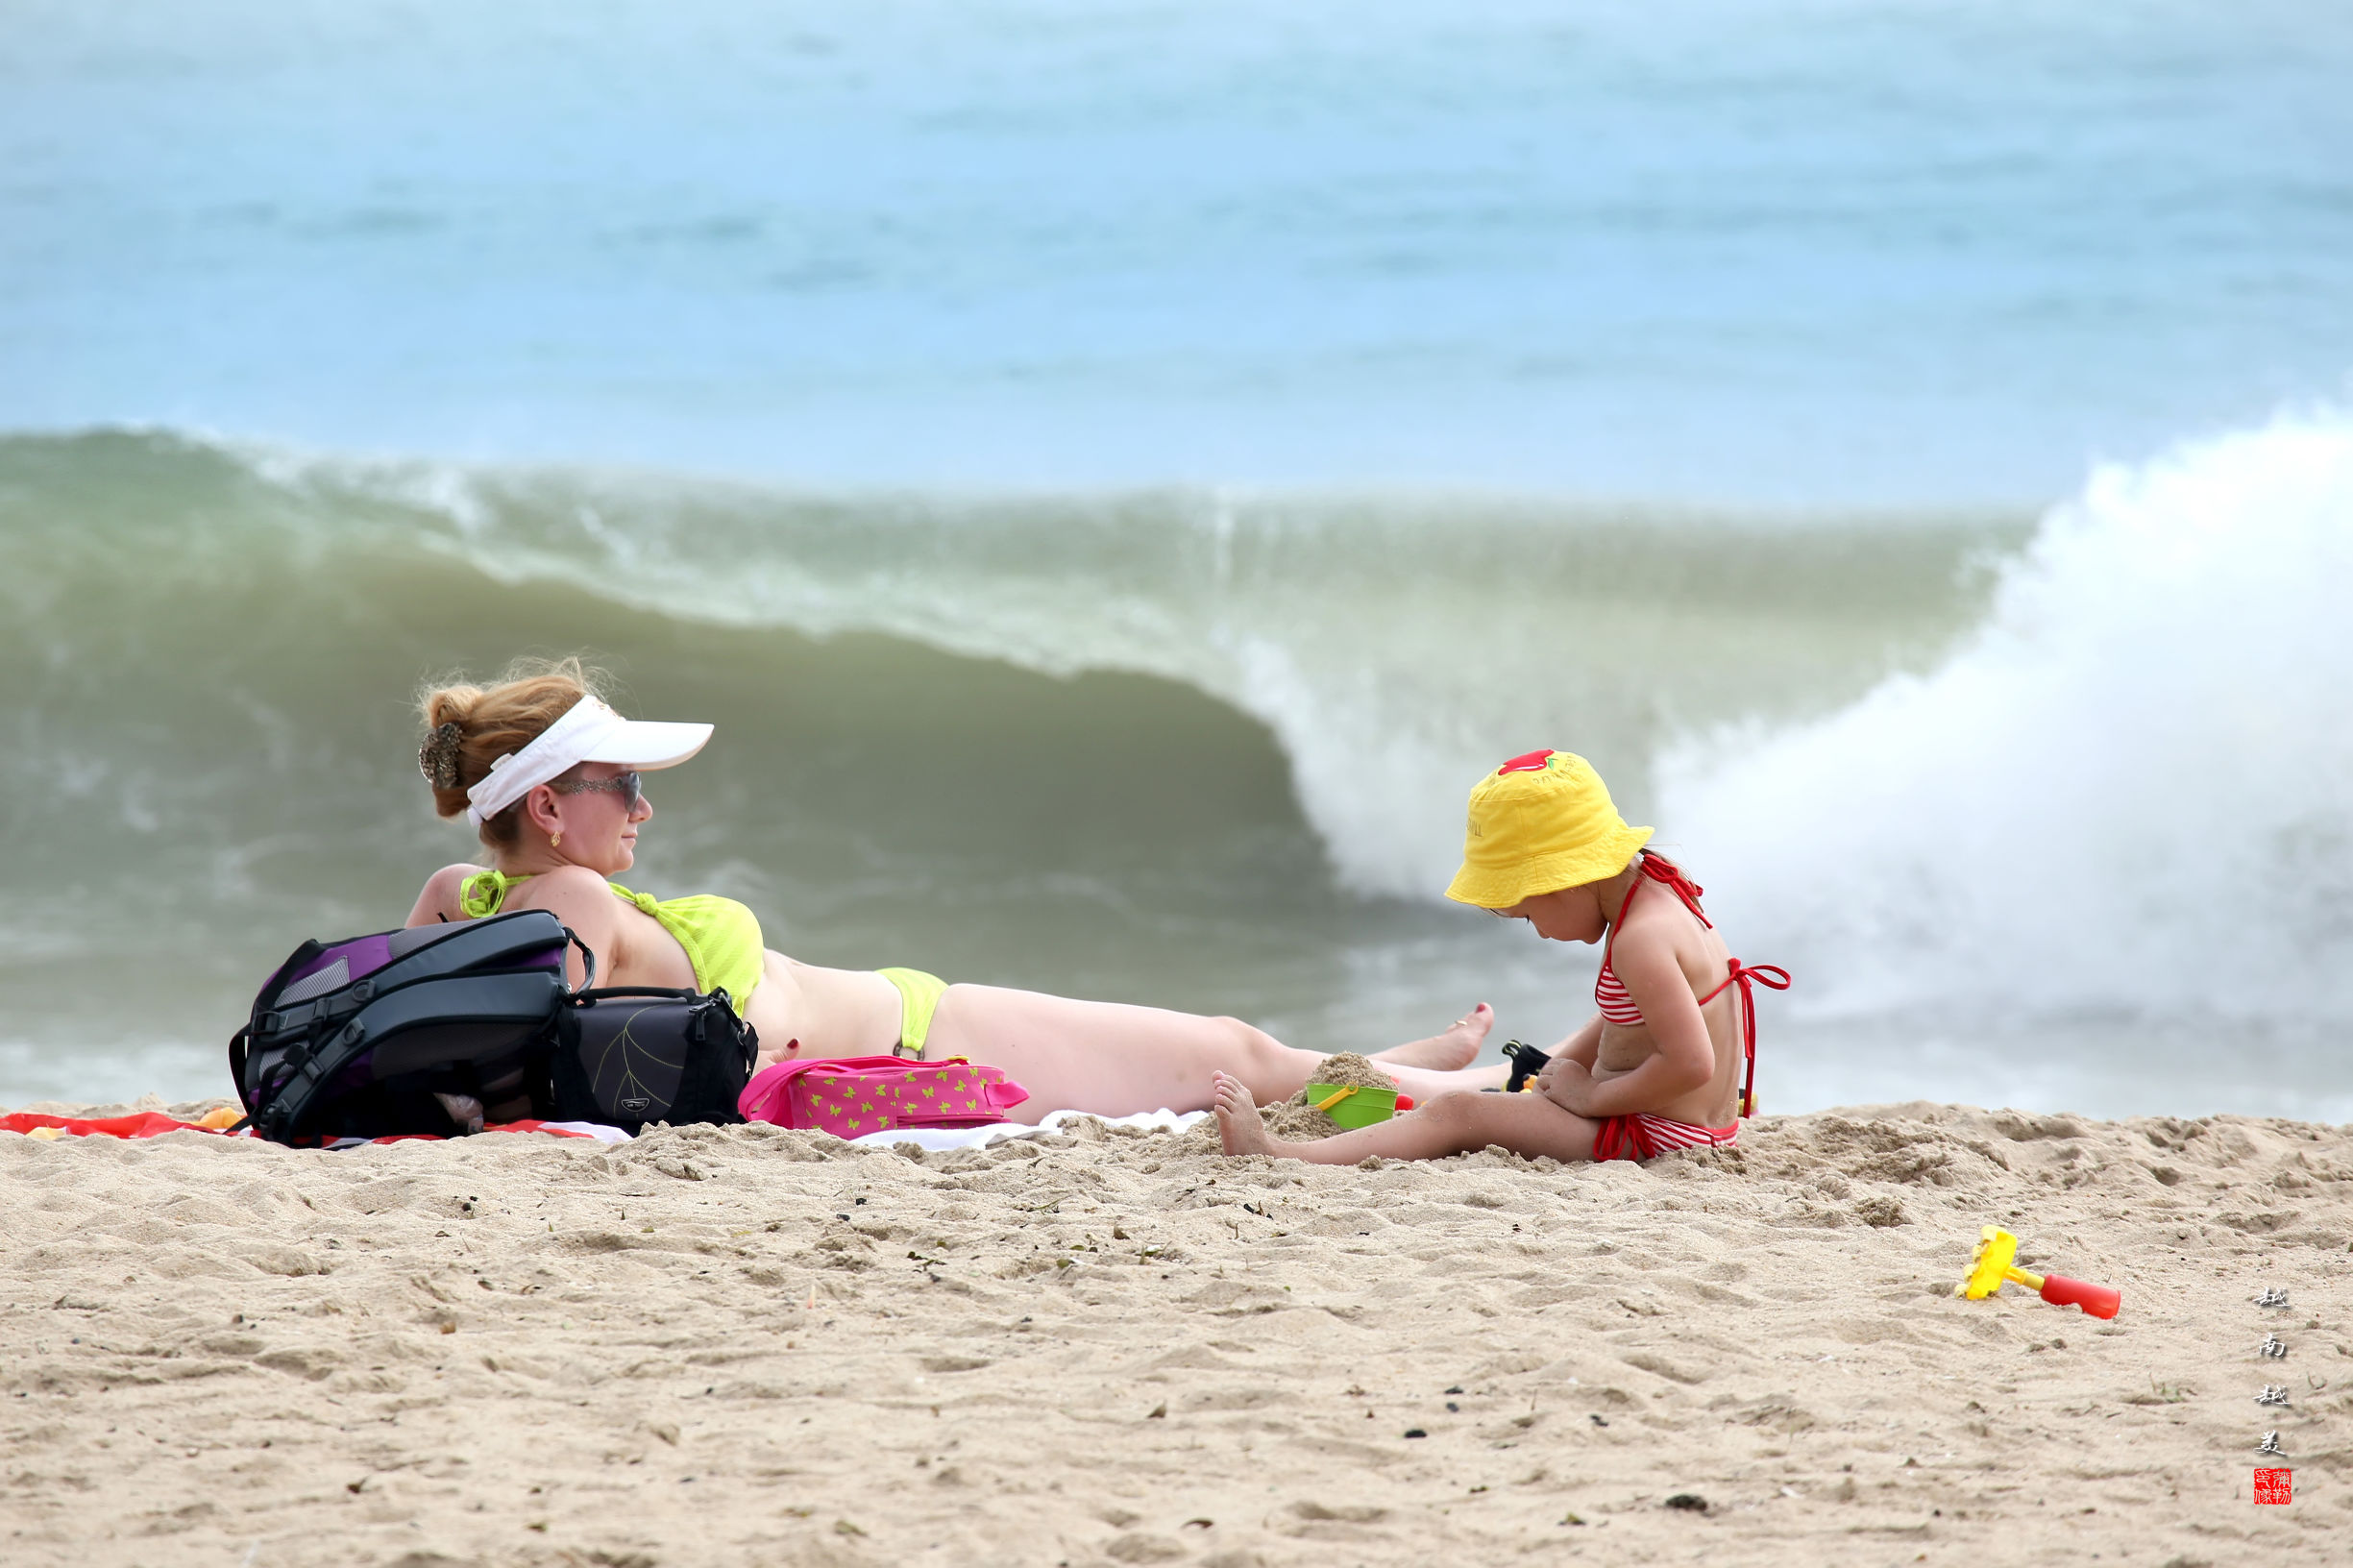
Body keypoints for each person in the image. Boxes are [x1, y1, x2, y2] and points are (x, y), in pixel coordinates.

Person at [404, 659, 1505, 1121]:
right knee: (1227, 1060)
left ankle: (1394, 1070)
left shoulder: (458, 893)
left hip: (907, 1010)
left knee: (1233, 1054)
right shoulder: (577, 911)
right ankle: (1452, 1093)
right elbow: (521, 1062)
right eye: (625, 785)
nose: (645, 808)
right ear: (547, 805)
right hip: (921, 1037)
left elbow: (399, 1028)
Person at [1213, 747, 1787, 1164]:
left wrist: (1594, 1095)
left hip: (1654, 1135)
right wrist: (1543, 1071)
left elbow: (1692, 1064)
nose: (1537, 933)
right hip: (1696, 1127)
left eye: (1529, 914)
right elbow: (1633, 1017)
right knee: (1500, 1097)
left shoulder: (1641, 940)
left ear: (1565, 881)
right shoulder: (1659, 888)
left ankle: (1281, 1154)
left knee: (1458, 1113)